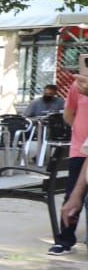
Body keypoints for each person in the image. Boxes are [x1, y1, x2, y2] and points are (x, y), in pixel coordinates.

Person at [50, 62, 88, 256]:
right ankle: (64, 239)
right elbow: (69, 114)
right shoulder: (78, 85)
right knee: (73, 194)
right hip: (80, 150)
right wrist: (81, 133)